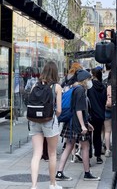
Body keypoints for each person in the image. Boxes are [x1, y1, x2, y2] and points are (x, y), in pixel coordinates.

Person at [56, 69, 100, 181]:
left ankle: (59, 172)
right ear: (84, 80)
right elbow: (79, 110)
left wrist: (87, 123)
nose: (90, 81)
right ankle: (87, 173)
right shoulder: (80, 90)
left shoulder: (74, 88)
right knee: (85, 147)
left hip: (71, 123)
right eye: (89, 79)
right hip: (77, 125)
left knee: (68, 146)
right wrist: (83, 125)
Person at [29, 61, 62, 189]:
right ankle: (52, 184)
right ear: (54, 72)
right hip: (49, 121)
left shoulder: (34, 86)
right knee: (52, 153)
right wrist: (54, 116)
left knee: (36, 154)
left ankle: (33, 185)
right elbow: (59, 110)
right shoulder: (56, 87)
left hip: (34, 121)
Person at [87, 67, 107, 164]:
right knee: (97, 135)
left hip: (90, 114)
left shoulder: (89, 86)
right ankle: (98, 156)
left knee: (88, 136)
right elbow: (104, 101)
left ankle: (89, 156)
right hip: (100, 114)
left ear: (93, 75)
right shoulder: (103, 87)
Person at [104, 71, 112, 157]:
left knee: (107, 131)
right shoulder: (116, 85)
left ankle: (107, 149)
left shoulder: (106, 85)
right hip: (116, 109)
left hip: (107, 109)